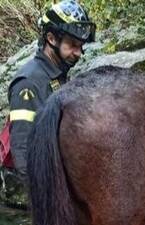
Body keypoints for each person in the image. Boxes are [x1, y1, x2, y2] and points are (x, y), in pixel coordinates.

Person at [7, 0, 95, 179]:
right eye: (72, 44)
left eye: (80, 46)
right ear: (51, 38)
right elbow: (22, 149)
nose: (78, 52)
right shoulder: (29, 82)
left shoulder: (58, 74)